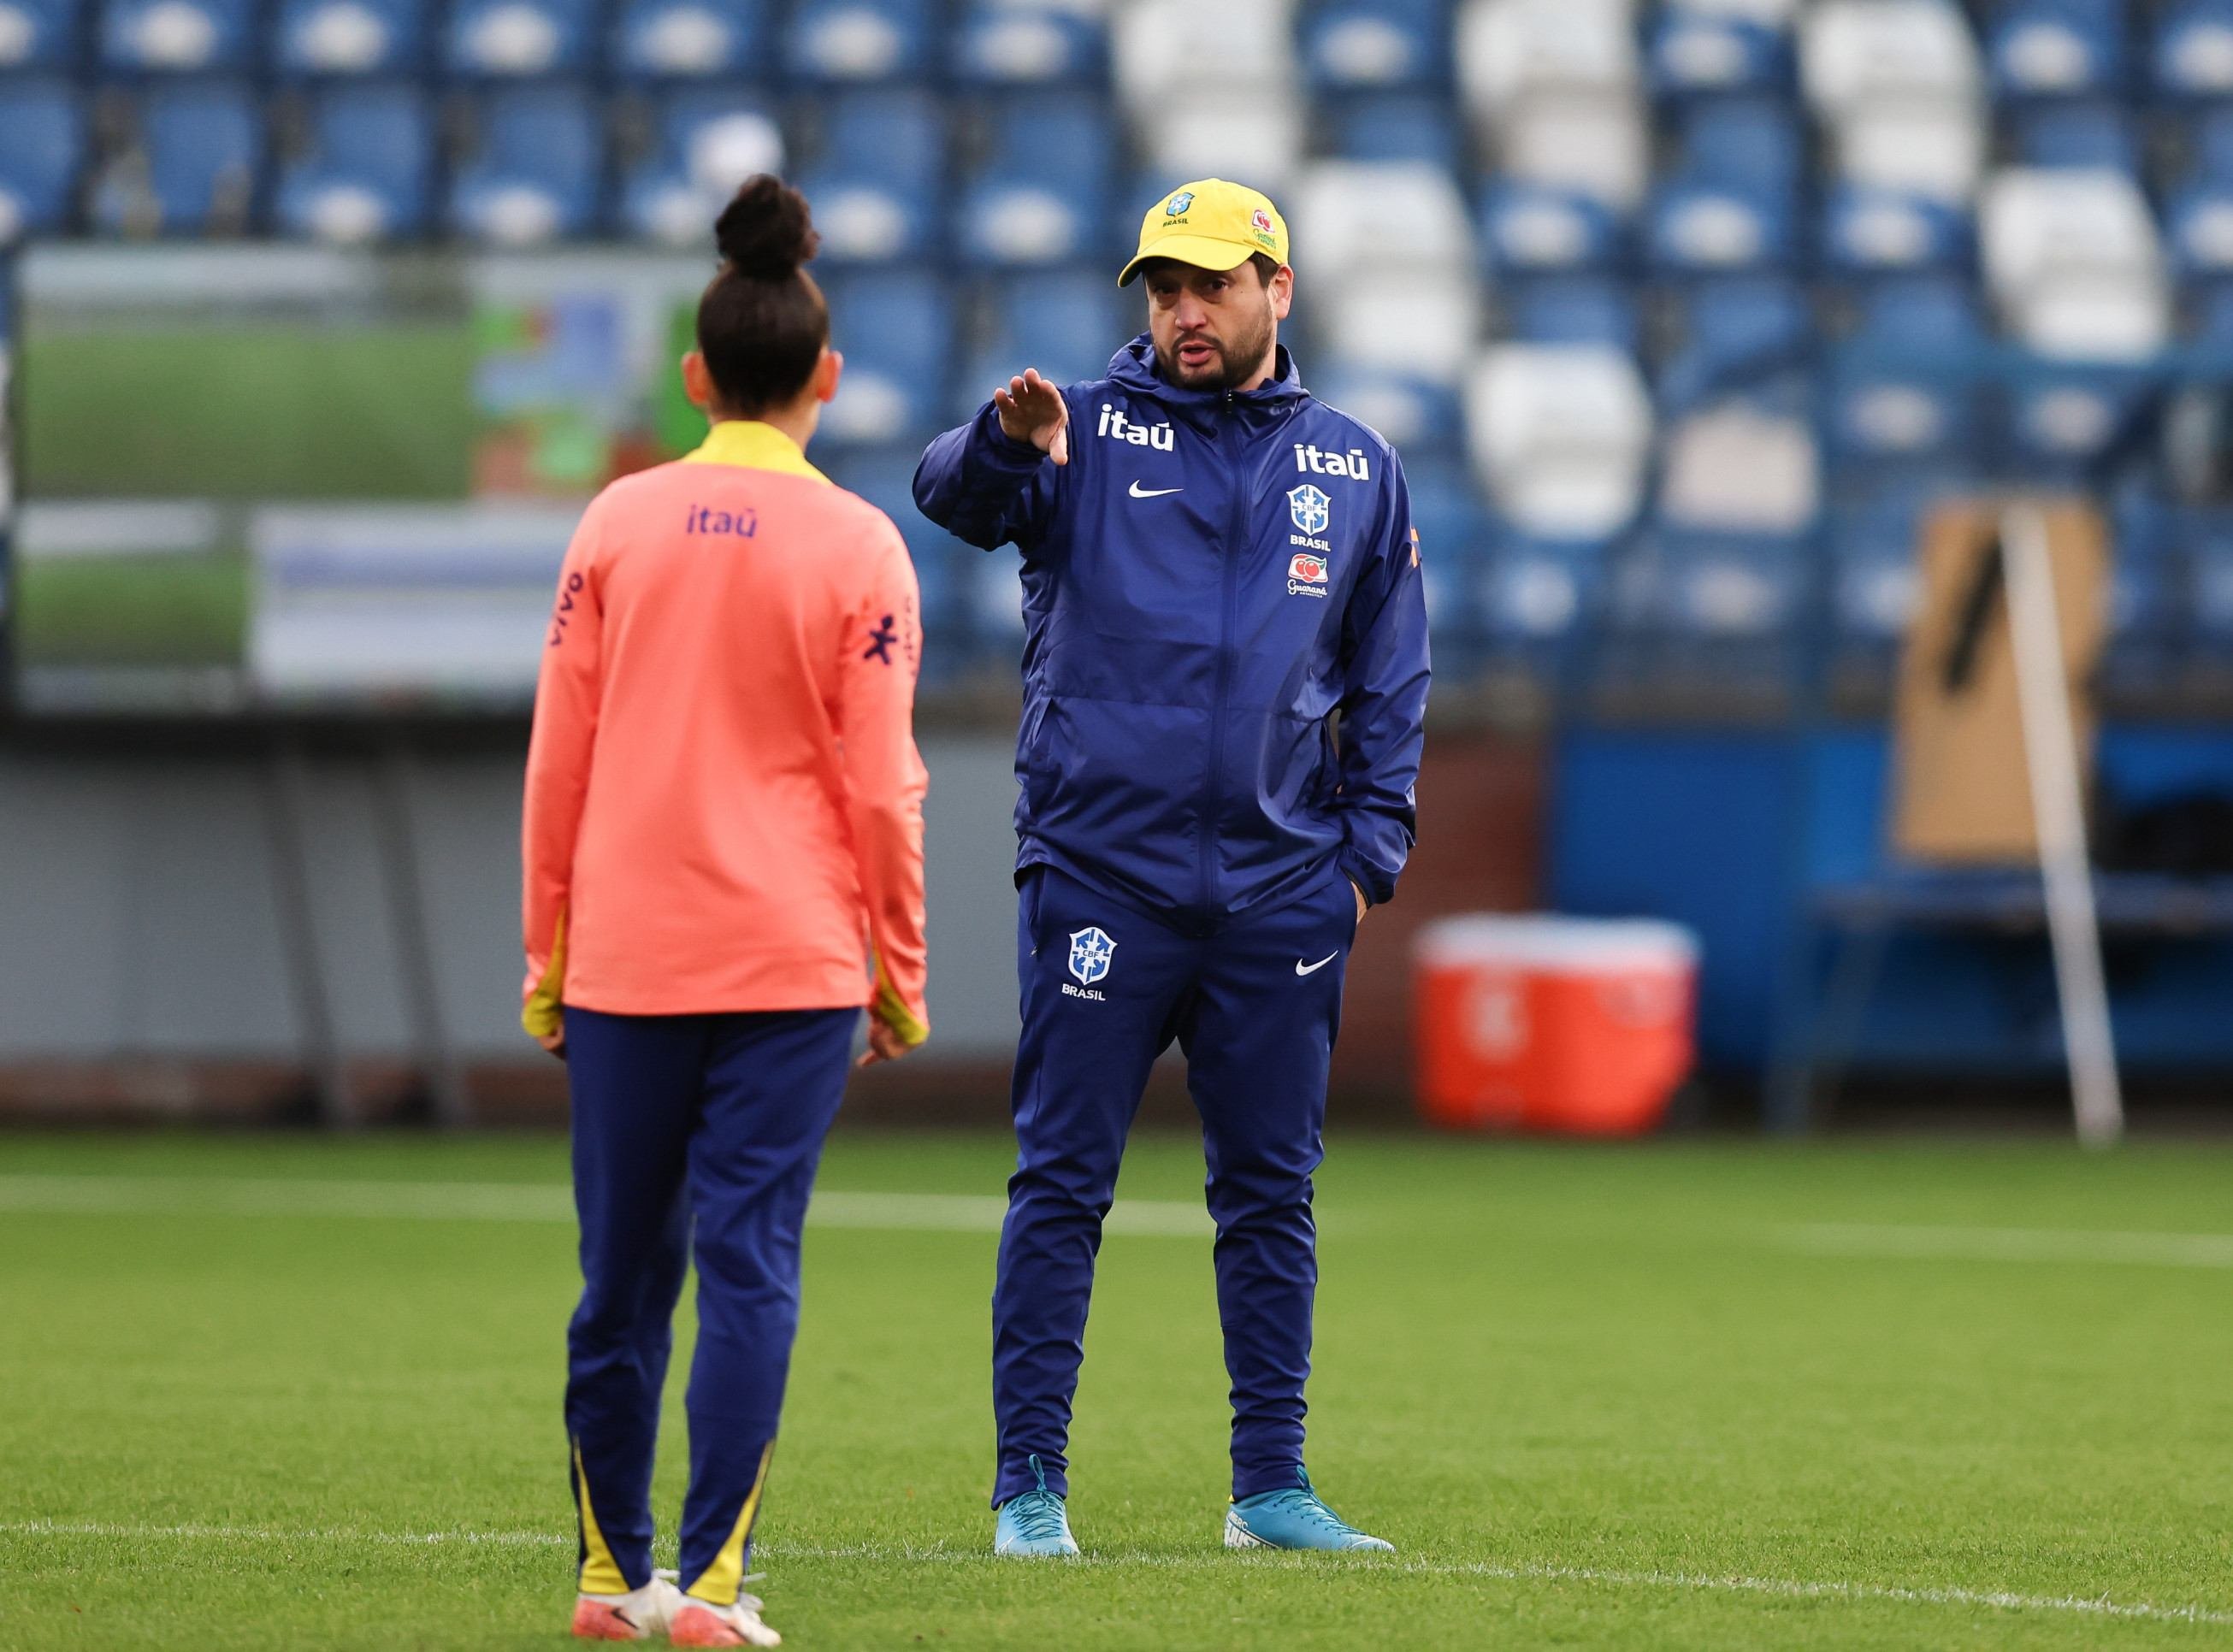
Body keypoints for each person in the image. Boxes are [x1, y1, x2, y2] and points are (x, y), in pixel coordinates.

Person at [913, 179, 1430, 1556]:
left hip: (1280, 897)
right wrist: (1001, 443)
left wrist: (1364, 858)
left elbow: (1392, 676)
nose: (1181, 312)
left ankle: (1270, 1488)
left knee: (1272, 1194)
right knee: (1062, 1184)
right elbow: (948, 497)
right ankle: (1031, 1485)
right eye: (1162, 286)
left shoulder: (1357, 467)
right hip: (1101, 878)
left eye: (1209, 285)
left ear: (1278, 288)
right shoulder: (1077, 428)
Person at [522, 174, 930, 1646]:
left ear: (695, 377)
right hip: (794, 963)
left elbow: (557, 761)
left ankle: (602, 1581)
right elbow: (884, 788)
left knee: (618, 1275)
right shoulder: (863, 549)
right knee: (749, 1261)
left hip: (626, 958)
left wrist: (545, 954)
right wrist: (898, 968)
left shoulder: (614, 525)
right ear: (826, 375)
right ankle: (709, 1588)